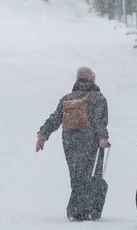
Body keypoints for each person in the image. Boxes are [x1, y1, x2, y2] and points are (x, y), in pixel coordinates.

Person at [35, 66, 111, 220]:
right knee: (90, 175)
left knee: (76, 175)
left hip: (69, 141)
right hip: (90, 140)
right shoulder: (98, 98)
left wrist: (43, 135)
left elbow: (55, 118)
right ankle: (84, 210)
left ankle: (76, 210)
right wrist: (102, 137)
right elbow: (99, 121)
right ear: (93, 80)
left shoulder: (68, 98)